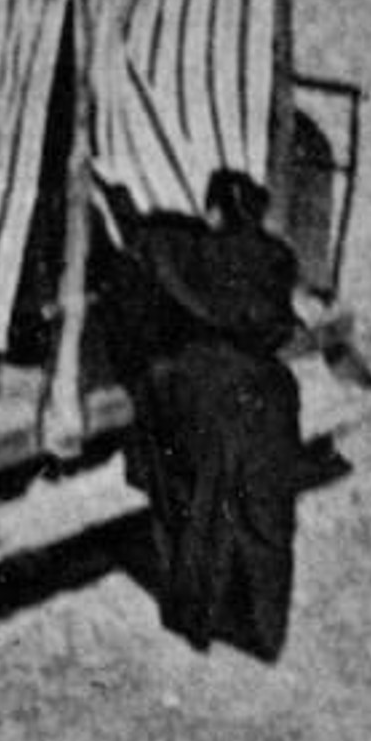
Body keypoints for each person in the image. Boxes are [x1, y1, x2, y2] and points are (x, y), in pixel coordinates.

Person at [111, 167, 307, 659]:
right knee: (266, 515)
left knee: (203, 504)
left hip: (213, 394)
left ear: (216, 211)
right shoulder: (277, 258)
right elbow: (281, 326)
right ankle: (266, 631)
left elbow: (148, 250)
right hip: (271, 396)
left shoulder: (193, 254)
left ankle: (199, 613)